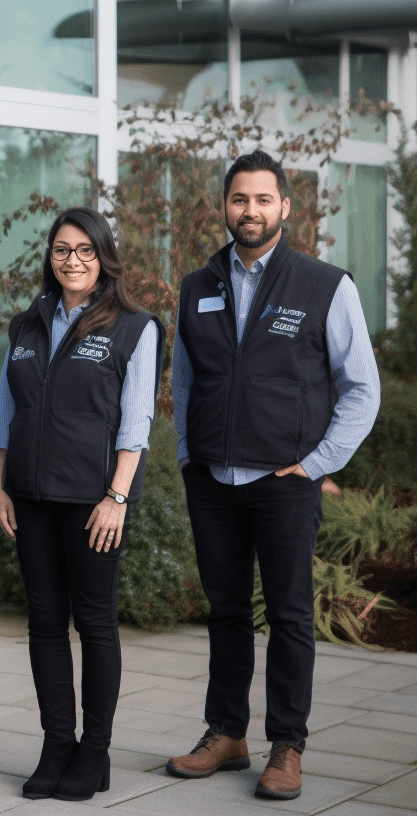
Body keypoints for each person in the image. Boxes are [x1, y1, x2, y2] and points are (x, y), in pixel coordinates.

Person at [167, 150, 379, 800]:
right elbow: (184, 379)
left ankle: (287, 745)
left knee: (288, 615)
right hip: (213, 478)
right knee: (226, 611)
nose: (250, 211)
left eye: (263, 199)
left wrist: (317, 464)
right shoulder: (198, 285)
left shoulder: (325, 285)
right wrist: (185, 455)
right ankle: (227, 732)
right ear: (224, 207)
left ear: (285, 207)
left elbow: (362, 389)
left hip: (285, 482)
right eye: (239, 199)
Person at [0, 206, 162, 801]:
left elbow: (136, 421)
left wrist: (118, 496)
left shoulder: (135, 328)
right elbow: (7, 410)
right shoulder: (26, 326)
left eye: (86, 250)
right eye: (63, 250)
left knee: (94, 623)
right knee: (44, 624)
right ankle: (56, 743)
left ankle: (95, 753)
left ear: (104, 258)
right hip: (33, 497)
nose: (73, 261)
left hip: (93, 502)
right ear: (50, 258)